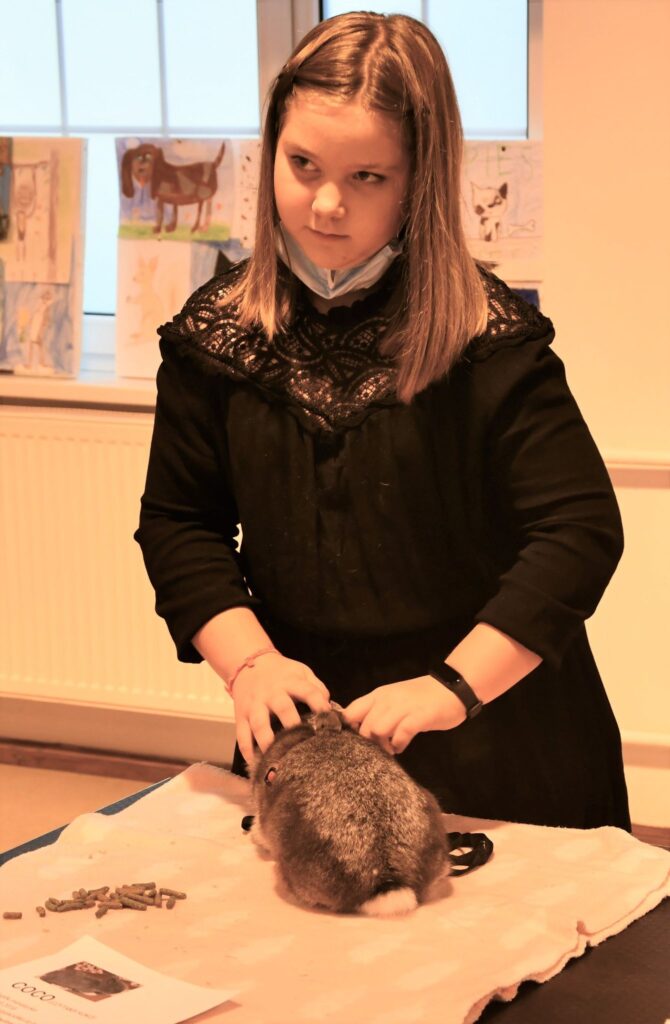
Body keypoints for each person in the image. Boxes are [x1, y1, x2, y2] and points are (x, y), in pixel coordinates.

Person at [135, 12, 630, 831]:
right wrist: (250, 666)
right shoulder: (216, 336)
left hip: (496, 733)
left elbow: (578, 533)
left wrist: (453, 688)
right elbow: (179, 524)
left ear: (419, 182)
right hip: (310, 731)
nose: (326, 204)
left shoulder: (488, 338)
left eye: (368, 176)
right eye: (303, 165)